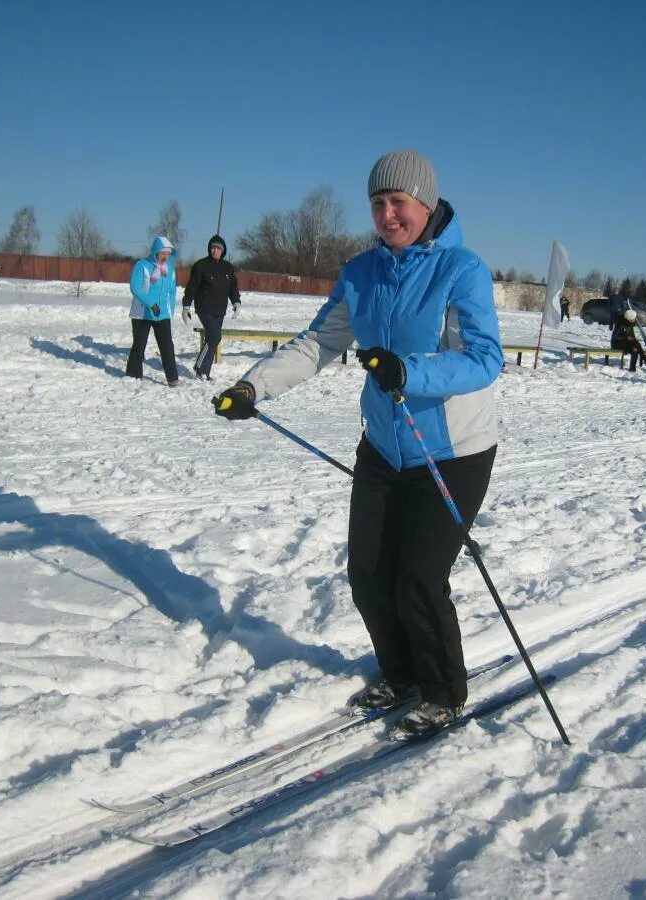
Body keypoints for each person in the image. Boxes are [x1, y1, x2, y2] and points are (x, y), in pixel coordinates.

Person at [212, 150, 503, 738]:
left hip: (454, 450)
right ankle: (399, 674)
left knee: (418, 577)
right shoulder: (361, 272)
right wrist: (253, 387)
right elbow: (318, 343)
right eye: (378, 203)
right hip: (384, 447)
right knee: (369, 573)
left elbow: (483, 358)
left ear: (426, 204)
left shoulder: (461, 269)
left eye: (399, 202)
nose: (388, 214)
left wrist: (408, 372)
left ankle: (443, 690)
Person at [182, 234, 242, 380]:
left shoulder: (227, 268)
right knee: (215, 336)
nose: (215, 251)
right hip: (204, 307)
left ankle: (204, 372)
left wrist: (236, 302)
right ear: (209, 249)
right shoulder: (201, 265)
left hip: (220, 308)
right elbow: (192, 286)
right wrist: (186, 305)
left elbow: (232, 288)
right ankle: (200, 367)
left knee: (213, 338)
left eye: (218, 248)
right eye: (213, 248)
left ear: (223, 251)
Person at [126, 236, 180, 386]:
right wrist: (151, 304)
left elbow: (172, 291)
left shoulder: (170, 269)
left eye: (168, 254)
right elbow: (135, 288)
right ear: (155, 251)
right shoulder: (142, 265)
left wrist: (170, 310)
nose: (165, 256)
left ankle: (172, 378)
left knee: (167, 346)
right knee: (139, 345)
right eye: (162, 253)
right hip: (142, 312)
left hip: (162, 313)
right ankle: (133, 376)